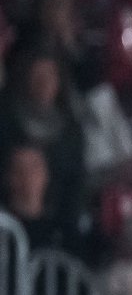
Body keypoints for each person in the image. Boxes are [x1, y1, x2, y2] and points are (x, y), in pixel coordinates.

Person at [0, 51, 86, 235]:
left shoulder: (71, 131)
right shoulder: (5, 119)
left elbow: (75, 181)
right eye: (37, 75)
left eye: (50, 75)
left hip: (55, 221)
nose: (44, 82)